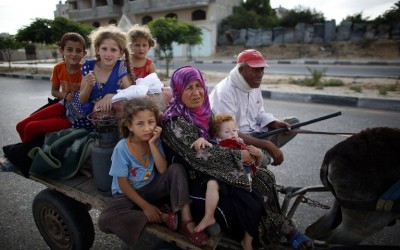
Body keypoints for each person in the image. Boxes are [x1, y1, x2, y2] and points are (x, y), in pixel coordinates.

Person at [161, 66, 314, 250]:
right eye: (188, 88)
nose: (196, 93)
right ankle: (277, 230)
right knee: (246, 197)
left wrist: (250, 149)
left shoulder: (205, 113)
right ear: (178, 91)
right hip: (196, 178)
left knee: (265, 178)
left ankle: (276, 227)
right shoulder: (174, 122)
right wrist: (240, 156)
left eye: (198, 85)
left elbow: (225, 134)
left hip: (217, 170)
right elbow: (200, 156)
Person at [98, 97, 208, 246]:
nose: (147, 128)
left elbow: (163, 169)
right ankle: (162, 216)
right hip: (127, 195)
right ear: (130, 126)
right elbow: (122, 184)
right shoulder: (122, 148)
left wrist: (152, 145)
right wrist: (145, 207)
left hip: (151, 189)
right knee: (104, 220)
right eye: (140, 124)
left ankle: (186, 221)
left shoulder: (154, 140)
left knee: (176, 169)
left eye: (151, 122)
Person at [209, 49, 299, 166]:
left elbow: (259, 114)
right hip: (234, 138)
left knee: (294, 123)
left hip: (256, 133)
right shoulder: (225, 91)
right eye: (256, 70)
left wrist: (274, 123)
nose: (260, 74)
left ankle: (261, 153)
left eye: (262, 69)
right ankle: (261, 155)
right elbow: (229, 132)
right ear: (241, 70)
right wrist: (267, 144)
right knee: (255, 151)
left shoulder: (254, 85)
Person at [192, 113, 264, 249]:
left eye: (235, 130)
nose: (232, 134)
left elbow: (255, 164)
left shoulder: (242, 144)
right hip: (225, 178)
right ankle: (209, 216)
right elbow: (208, 147)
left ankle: (247, 241)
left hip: (244, 182)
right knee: (212, 183)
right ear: (217, 136)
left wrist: (258, 155)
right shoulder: (219, 144)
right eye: (227, 131)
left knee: (256, 205)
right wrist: (200, 139)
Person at [15, 32, 87, 144]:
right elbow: (54, 91)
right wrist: (65, 96)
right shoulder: (58, 68)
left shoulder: (85, 71)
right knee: (20, 126)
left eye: (78, 51)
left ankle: (27, 154)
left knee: (30, 127)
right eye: (69, 50)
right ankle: (25, 149)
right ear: (62, 51)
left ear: (84, 53)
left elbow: (89, 98)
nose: (74, 54)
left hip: (75, 115)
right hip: (62, 104)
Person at [79, 25, 135, 129]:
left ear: (120, 53)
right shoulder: (88, 67)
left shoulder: (120, 67)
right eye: (104, 49)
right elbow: (82, 100)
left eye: (113, 50)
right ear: (97, 49)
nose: (108, 54)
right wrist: (89, 86)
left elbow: (130, 92)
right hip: (88, 115)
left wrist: (111, 96)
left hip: (110, 116)